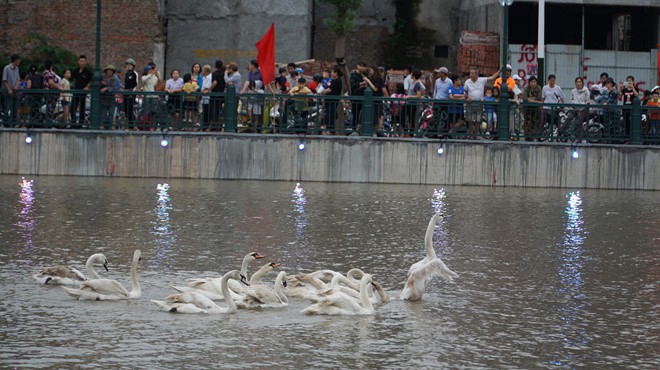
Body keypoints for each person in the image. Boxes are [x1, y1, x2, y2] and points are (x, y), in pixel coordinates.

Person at [464, 66, 501, 134]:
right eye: (470, 73)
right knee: (470, 120)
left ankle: (476, 134)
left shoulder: (481, 80)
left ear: (476, 74)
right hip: (470, 103)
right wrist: (467, 97)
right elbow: (465, 91)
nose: (470, 75)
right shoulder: (467, 82)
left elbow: (492, 77)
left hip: (479, 103)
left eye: (472, 73)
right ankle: (471, 134)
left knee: (478, 119)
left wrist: (499, 71)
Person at [71, 55, 92, 127]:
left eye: (83, 61)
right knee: (72, 107)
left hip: (83, 92)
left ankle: (81, 123)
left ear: (85, 62)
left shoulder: (88, 72)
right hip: (76, 91)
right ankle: (73, 123)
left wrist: (87, 87)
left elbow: (90, 80)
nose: (82, 63)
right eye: (81, 61)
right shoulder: (76, 70)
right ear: (78, 62)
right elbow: (74, 79)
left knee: (82, 108)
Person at [321, 66, 343, 133]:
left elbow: (330, 89)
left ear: (336, 73)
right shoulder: (332, 80)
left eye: (332, 72)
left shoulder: (337, 81)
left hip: (333, 100)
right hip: (329, 100)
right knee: (329, 113)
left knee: (330, 114)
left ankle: (330, 129)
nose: (331, 73)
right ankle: (329, 128)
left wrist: (322, 92)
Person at [404, 69, 425, 135]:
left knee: (412, 118)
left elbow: (418, 95)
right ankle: (408, 131)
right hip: (409, 103)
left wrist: (409, 97)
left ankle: (411, 133)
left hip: (413, 104)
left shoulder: (417, 84)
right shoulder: (413, 82)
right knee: (407, 116)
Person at [521, 75, 542, 140]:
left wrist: (530, 99)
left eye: (534, 82)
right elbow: (525, 99)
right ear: (529, 83)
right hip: (527, 109)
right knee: (527, 123)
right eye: (531, 82)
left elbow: (539, 98)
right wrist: (533, 100)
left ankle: (535, 135)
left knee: (536, 122)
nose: (533, 83)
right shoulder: (526, 89)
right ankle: (527, 136)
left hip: (536, 109)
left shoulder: (538, 88)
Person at [100, 64, 121, 129]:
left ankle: (109, 127)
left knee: (111, 114)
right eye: (108, 70)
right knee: (103, 114)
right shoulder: (102, 77)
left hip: (111, 98)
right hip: (103, 98)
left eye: (111, 71)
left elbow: (114, 88)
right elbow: (99, 84)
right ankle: (104, 126)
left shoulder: (114, 79)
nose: (109, 72)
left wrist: (106, 88)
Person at [2, 54, 21, 126]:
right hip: (7, 91)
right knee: (7, 107)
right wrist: (9, 89)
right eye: (18, 60)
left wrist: (16, 86)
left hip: (15, 91)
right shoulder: (7, 68)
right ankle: (6, 123)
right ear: (15, 61)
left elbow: (17, 79)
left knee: (14, 108)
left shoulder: (17, 69)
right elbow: (4, 80)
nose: (19, 62)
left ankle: (13, 123)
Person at [209, 60, 225, 129]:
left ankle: (214, 125)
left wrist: (209, 89)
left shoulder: (214, 73)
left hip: (214, 94)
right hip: (221, 94)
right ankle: (219, 126)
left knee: (213, 110)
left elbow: (214, 83)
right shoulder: (224, 74)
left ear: (215, 65)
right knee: (219, 110)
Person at [123, 58, 139, 128]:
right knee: (126, 109)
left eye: (130, 65)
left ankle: (132, 124)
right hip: (126, 92)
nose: (128, 66)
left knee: (130, 108)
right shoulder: (127, 73)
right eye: (127, 65)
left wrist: (132, 91)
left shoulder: (134, 73)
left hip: (131, 93)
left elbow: (136, 84)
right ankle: (130, 122)